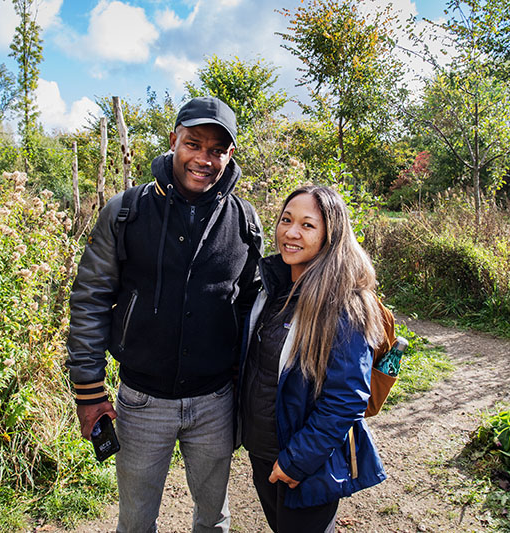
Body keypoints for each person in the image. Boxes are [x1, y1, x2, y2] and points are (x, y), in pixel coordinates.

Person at [66, 96, 262, 533]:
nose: (204, 159)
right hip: (141, 401)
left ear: (230, 154)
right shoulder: (126, 212)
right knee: (136, 521)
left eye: (217, 150)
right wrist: (88, 390)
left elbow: (252, 306)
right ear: (174, 141)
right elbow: (90, 299)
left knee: (213, 519)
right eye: (194, 144)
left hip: (215, 402)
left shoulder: (245, 220)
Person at [238, 185, 386, 533]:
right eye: (286, 220)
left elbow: (346, 398)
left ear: (330, 235)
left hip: (304, 461)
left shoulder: (344, 304)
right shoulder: (273, 288)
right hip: (264, 450)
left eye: (307, 225)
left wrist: (295, 462)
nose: (291, 232)